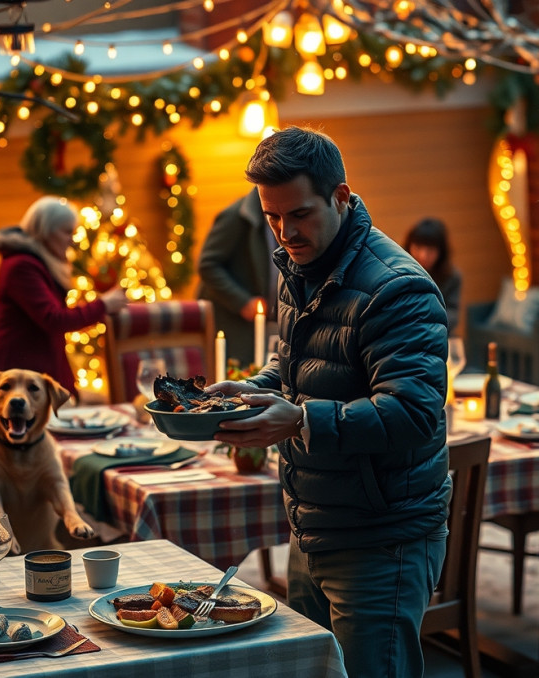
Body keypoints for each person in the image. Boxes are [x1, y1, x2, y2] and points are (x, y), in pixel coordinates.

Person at [207, 126, 451, 677]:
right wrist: (255, 389)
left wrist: (298, 419)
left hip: (381, 537)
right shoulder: (299, 265)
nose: (284, 231)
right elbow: (300, 371)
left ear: (341, 197)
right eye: (272, 217)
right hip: (314, 522)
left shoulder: (397, 288)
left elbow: (412, 414)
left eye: (299, 214)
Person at [0, 196, 127, 400]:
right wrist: (103, 305)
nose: (72, 240)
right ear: (45, 231)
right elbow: (53, 319)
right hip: (17, 378)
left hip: (35, 373)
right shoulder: (21, 266)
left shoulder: (37, 261)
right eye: (67, 232)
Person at [197, 187, 276, 366]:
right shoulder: (234, 217)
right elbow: (208, 264)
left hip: (264, 326)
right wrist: (243, 302)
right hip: (232, 326)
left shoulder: (278, 215)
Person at [404, 217, 463, 332]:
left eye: (430, 250)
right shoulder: (399, 270)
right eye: (418, 247)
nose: (423, 255)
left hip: (436, 333)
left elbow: (452, 313)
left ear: (441, 252)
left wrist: (429, 322)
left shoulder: (452, 276)